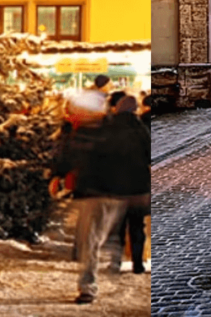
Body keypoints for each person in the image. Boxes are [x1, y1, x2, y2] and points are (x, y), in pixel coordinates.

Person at [51, 91, 138, 305]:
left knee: (93, 238)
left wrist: (59, 175)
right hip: (100, 192)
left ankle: (93, 281)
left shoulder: (95, 132)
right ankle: (92, 282)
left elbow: (69, 156)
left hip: (102, 190)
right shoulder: (100, 130)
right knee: (93, 237)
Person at [108, 95, 151, 275]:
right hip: (138, 184)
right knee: (137, 225)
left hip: (116, 183)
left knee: (117, 226)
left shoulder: (109, 128)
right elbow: (149, 154)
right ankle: (138, 263)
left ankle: (116, 262)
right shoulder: (140, 128)